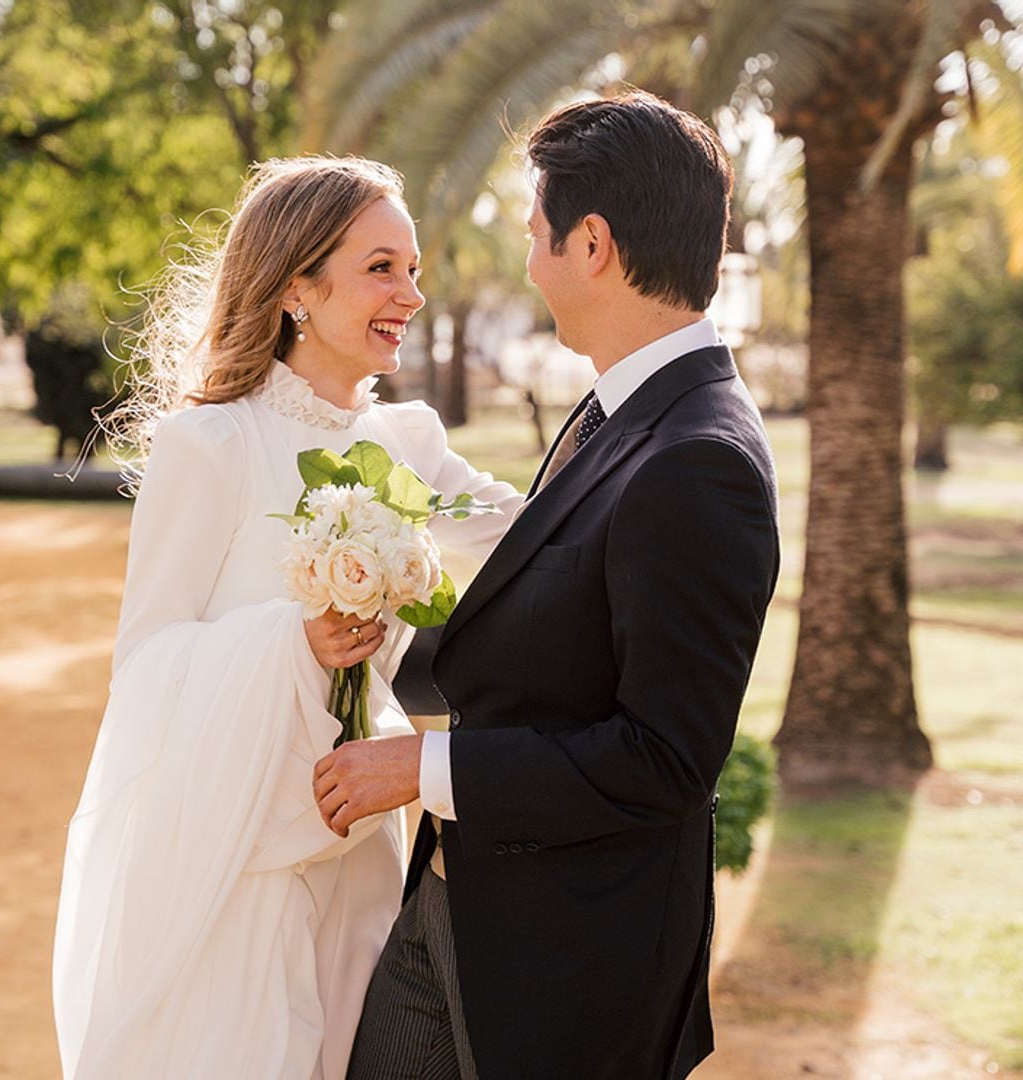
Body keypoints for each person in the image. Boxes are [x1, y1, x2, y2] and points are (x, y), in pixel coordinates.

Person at [312, 92, 781, 1079]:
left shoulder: (698, 457)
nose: (529, 262)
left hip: (566, 973)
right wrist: (381, 625)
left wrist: (421, 775)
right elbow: (549, 649)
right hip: (463, 908)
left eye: (538, 235)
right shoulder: (618, 409)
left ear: (594, 244)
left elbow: (665, 760)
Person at [52, 156, 523, 1080]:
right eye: (382, 268)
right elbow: (146, 661)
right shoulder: (209, 445)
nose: (412, 295)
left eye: (416, 269)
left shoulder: (409, 442)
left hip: (359, 853)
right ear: (298, 287)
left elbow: (530, 539)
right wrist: (289, 642)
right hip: (234, 869)